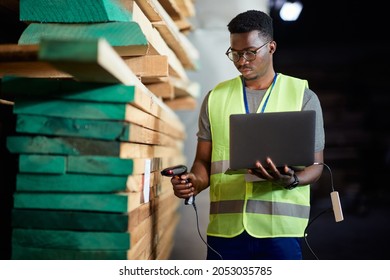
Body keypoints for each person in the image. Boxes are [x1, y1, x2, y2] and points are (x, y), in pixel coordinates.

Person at [170, 9, 325, 260]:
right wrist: (192, 183)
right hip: (226, 234)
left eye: (250, 52)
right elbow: (203, 163)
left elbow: (316, 165)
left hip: (280, 233)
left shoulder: (302, 96)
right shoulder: (215, 98)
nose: (242, 61)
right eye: (235, 53)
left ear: (271, 47)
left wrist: (292, 180)